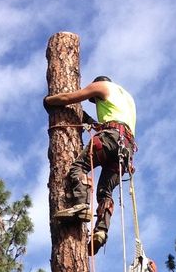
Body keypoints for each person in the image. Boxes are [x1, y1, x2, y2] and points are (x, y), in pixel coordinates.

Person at [43, 76, 136, 253]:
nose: (94, 101)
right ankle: (101, 231)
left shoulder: (102, 85)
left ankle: (81, 205)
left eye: (94, 100)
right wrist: (85, 118)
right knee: (105, 192)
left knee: (79, 167)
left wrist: (48, 101)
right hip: (126, 148)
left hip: (111, 137)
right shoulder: (126, 99)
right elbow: (110, 122)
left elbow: (67, 98)